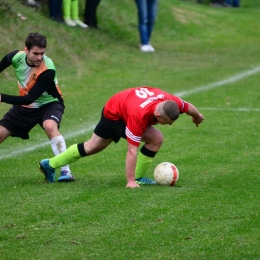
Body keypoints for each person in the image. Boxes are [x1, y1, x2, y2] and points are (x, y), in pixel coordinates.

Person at [39, 86, 204, 187]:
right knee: (92, 147)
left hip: (122, 104)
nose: (168, 125)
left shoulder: (170, 101)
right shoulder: (138, 117)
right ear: (157, 114)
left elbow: (188, 106)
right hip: (115, 116)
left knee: (92, 146)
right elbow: (132, 150)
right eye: (166, 122)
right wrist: (130, 181)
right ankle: (136, 179)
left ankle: (49, 164)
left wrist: (196, 116)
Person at [0, 32, 75, 182]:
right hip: (25, 107)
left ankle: (66, 172)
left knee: (49, 125)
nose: (39, 58)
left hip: (50, 103)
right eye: (36, 53)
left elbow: (30, 98)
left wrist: (2, 97)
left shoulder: (48, 69)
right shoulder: (15, 57)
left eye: (42, 53)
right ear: (26, 50)